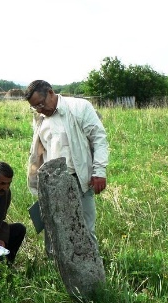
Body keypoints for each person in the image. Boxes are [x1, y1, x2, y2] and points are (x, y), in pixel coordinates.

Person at [24, 80, 109, 253]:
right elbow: (41, 151)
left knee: (84, 228)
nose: (40, 110)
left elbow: (99, 139)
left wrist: (99, 171)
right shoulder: (40, 118)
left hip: (78, 178)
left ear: (50, 92)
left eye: (41, 104)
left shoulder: (79, 107)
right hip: (52, 182)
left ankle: (92, 273)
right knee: (53, 228)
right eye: (35, 107)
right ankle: (55, 269)